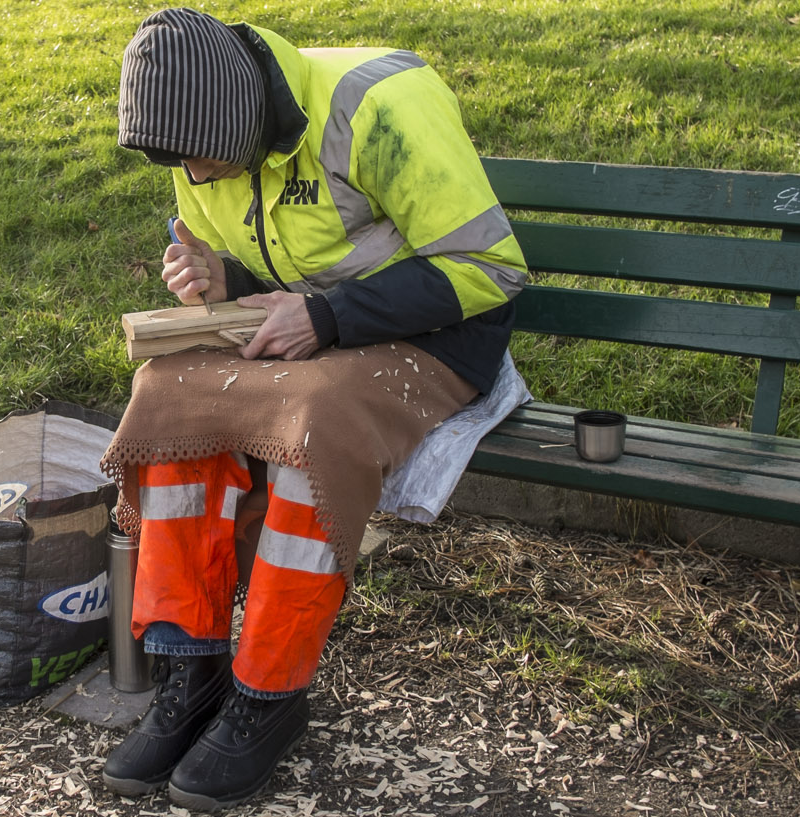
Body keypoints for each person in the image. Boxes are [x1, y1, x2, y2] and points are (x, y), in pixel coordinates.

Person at [99, 7, 528, 811]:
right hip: (306, 327)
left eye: (209, 163)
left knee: (310, 432)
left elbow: (489, 268)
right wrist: (220, 278)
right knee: (166, 399)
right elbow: (267, 249)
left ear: (249, 120)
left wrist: (325, 318)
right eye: (182, 168)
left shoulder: (382, 101)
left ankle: (269, 692)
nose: (198, 179)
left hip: (437, 332)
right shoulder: (199, 128)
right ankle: (191, 670)